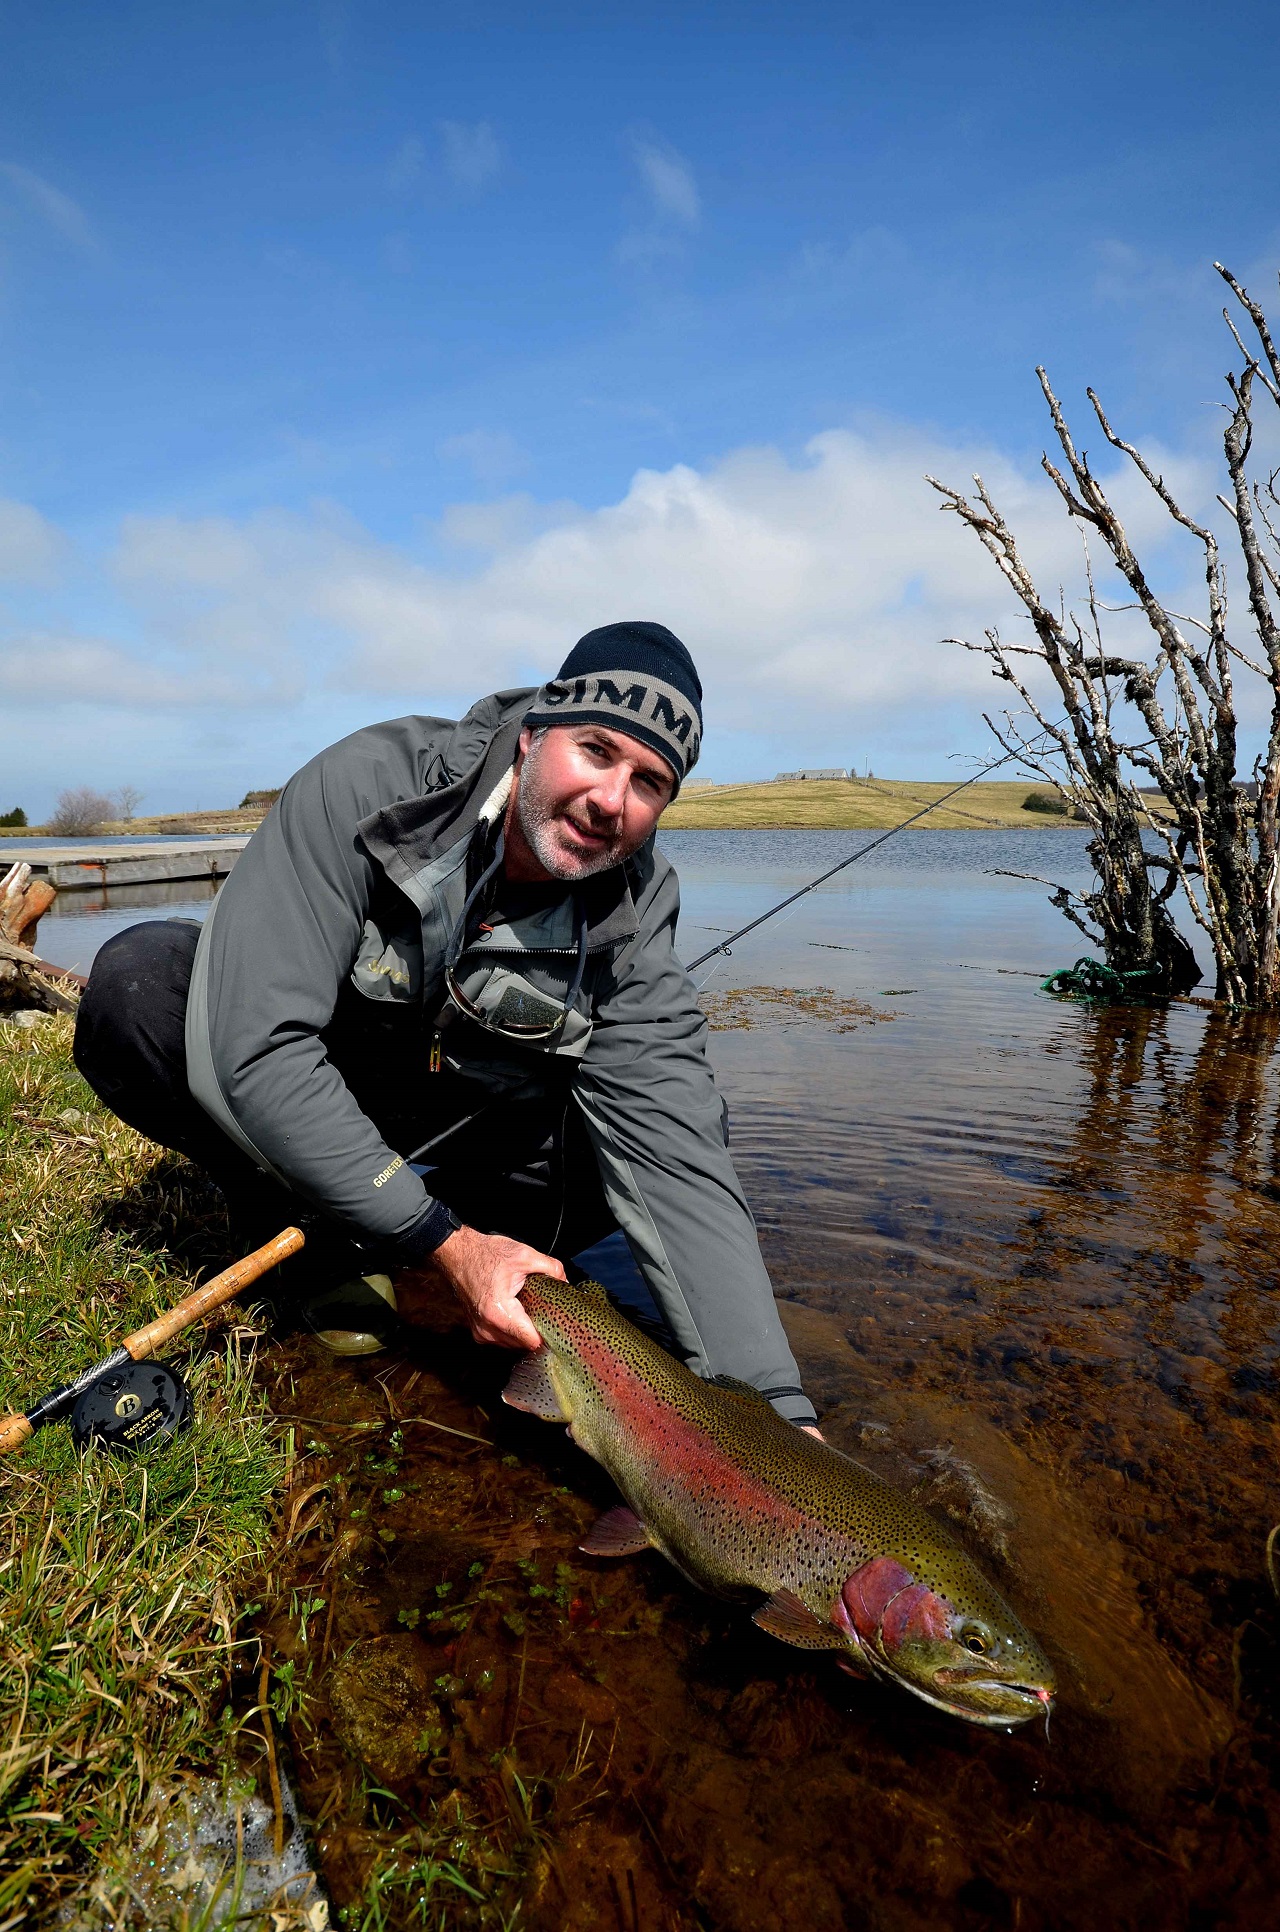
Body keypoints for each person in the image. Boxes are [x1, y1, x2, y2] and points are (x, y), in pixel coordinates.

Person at [74, 622, 817, 1428]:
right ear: (533, 734)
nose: (611, 800)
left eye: (649, 782)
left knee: (656, 1141)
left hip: (470, 1119)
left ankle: (477, 1259)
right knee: (141, 989)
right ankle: (314, 1230)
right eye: (597, 751)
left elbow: (676, 1152)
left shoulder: (637, 906)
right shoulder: (366, 786)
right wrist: (446, 1245)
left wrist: (776, 1414)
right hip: (330, 1084)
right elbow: (256, 1047)